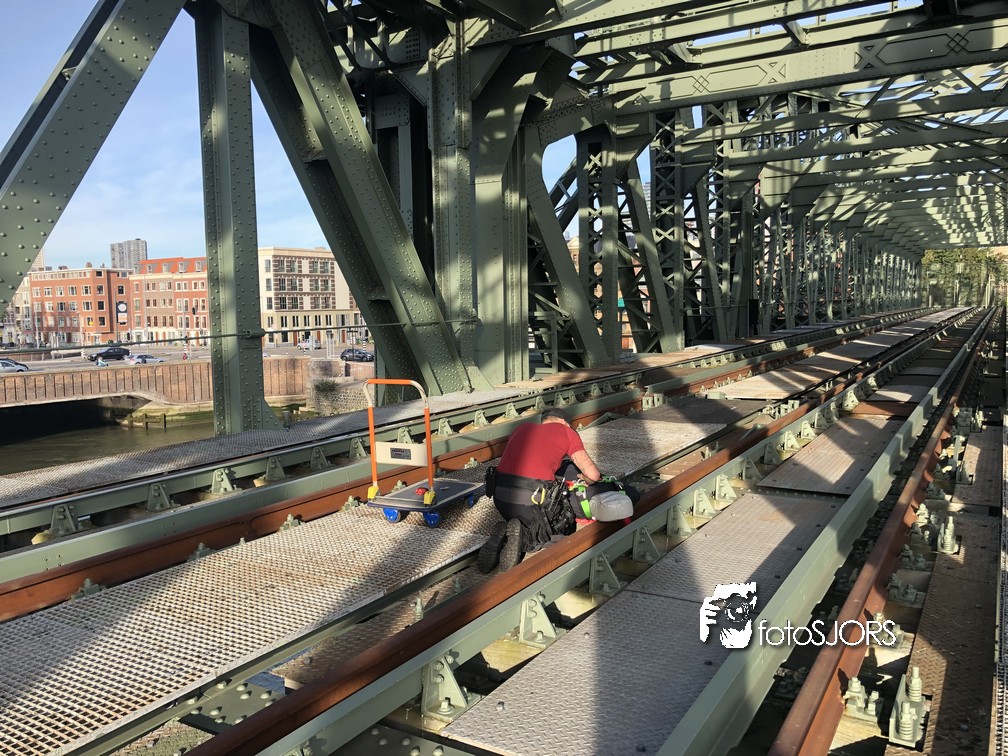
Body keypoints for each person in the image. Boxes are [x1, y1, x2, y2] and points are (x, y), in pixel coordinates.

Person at [479, 407, 633, 573]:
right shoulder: (566, 432)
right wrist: (586, 478)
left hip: (500, 499)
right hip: (532, 500)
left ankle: (507, 531)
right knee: (555, 525)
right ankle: (525, 539)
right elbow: (593, 474)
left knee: (526, 514)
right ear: (564, 422)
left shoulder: (521, 428)